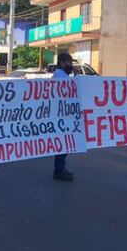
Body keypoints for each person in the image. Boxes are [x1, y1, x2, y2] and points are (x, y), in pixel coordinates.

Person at [52, 52, 75, 181]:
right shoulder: (60, 77)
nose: (71, 65)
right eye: (69, 62)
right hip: (62, 115)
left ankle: (60, 168)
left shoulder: (62, 76)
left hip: (63, 114)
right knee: (63, 143)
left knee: (63, 143)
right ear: (62, 63)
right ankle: (59, 169)